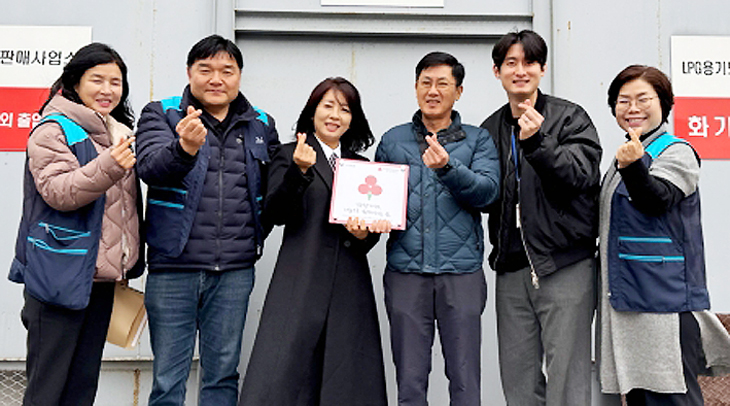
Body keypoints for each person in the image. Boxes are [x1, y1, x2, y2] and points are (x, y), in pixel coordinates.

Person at [135, 35, 279, 405]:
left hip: (234, 270)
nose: (216, 79)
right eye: (206, 70)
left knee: (223, 375)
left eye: (226, 71)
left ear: (239, 76)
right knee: (168, 379)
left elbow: (273, 192)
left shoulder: (261, 123)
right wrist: (184, 148)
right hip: (173, 267)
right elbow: (149, 168)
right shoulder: (162, 113)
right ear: (189, 72)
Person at [239, 77, 390, 406]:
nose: (335, 115)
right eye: (328, 106)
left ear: (353, 119)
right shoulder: (289, 154)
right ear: (312, 112)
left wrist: (366, 234)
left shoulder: (362, 167)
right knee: (288, 369)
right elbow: (275, 213)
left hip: (349, 280)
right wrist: (299, 171)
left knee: (347, 370)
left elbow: (367, 234)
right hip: (302, 274)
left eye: (345, 109)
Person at [8, 42, 144, 406]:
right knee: (47, 390)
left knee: (82, 388)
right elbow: (59, 192)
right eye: (97, 79)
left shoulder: (117, 133)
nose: (107, 90)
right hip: (57, 276)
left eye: (115, 82)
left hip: (99, 280)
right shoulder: (52, 130)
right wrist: (111, 164)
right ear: (74, 82)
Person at [480, 30, 602, 406]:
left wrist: (536, 142)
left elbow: (581, 175)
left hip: (564, 264)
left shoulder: (570, 118)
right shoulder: (490, 129)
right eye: (511, 63)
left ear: (543, 69)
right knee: (518, 379)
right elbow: (484, 193)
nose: (521, 71)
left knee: (568, 377)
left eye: (529, 62)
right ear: (497, 71)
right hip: (511, 266)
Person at [599, 64, 730, 405]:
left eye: (643, 99)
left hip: (665, 306)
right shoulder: (627, 154)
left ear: (664, 103)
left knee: (673, 399)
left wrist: (633, 167)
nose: (633, 108)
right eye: (623, 100)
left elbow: (657, 200)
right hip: (632, 303)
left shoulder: (677, 152)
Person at [375, 51, 500, 406]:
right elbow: (377, 198)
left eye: (443, 83)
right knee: (410, 381)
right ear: (415, 88)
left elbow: (488, 193)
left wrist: (448, 168)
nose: (433, 91)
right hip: (406, 272)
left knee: (465, 380)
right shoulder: (393, 140)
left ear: (458, 91)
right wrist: (369, 223)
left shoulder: (478, 140)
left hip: (461, 273)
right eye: (426, 82)